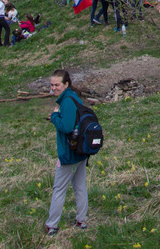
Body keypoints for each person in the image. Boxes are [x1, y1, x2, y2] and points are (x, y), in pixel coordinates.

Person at [46, 70, 89, 235]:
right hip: (79, 151)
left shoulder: (67, 102)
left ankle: (52, 225)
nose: (54, 88)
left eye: (57, 85)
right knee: (79, 186)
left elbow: (66, 127)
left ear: (66, 84)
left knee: (59, 189)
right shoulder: (72, 98)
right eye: (51, 85)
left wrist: (54, 116)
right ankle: (81, 221)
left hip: (70, 154)